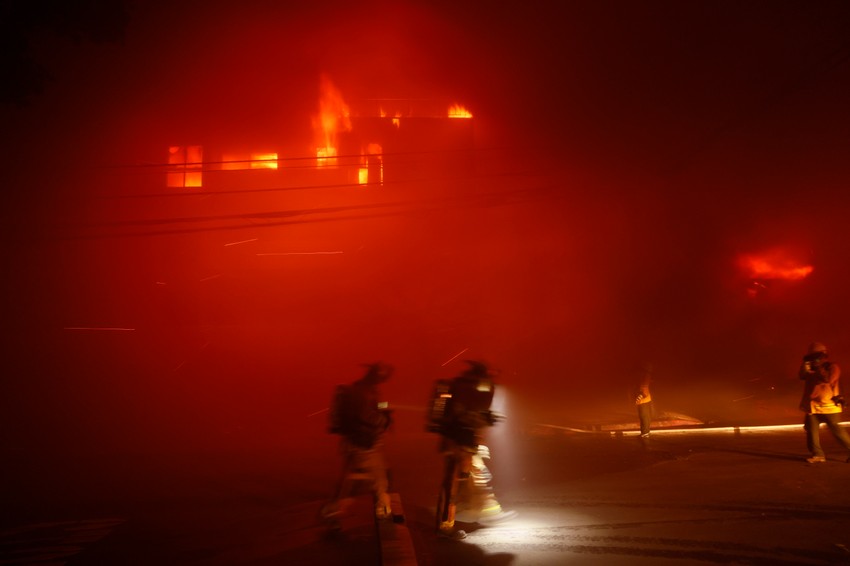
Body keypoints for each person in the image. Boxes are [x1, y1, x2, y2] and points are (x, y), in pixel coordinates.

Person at [427, 360, 514, 540]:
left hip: (462, 442)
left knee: (477, 476)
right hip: (459, 443)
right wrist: (486, 419)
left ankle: (488, 511)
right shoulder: (470, 390)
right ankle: (445, 526)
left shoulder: (461, 387)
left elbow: (471, 417)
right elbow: (469, 417)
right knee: (453, 486)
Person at [321, 362, 394, 526]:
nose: (382, 381)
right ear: (377, 376)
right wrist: (385, 419)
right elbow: (366, 416)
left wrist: (385, 407)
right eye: (383, 378)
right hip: (366, 446)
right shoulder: (365, 392)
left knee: (348, 481)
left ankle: (332, 510)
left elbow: (376, 405)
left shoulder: (361, 389)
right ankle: (384, 513)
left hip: (353, 444)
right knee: (381, 480)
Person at [798, 342, 850, 463]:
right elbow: (801, 376)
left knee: (837, 432)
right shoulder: (810, 368)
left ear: (823, 356)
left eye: (817, 356)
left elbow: (827, 379)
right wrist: (805, 365)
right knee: (812, 432)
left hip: (829, 407)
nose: (814, 359)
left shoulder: (832, 367)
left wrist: (818, 369)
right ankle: (818, 455)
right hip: (812, 407)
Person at [635, 362, 653, 438]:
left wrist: (639, 397)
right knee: (645, 416)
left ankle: (645, 432)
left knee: (644, 417)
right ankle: (645, 432)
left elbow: (644, 388)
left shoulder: (645, 375)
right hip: (645, 400)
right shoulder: (646, 375)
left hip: (643, 400)